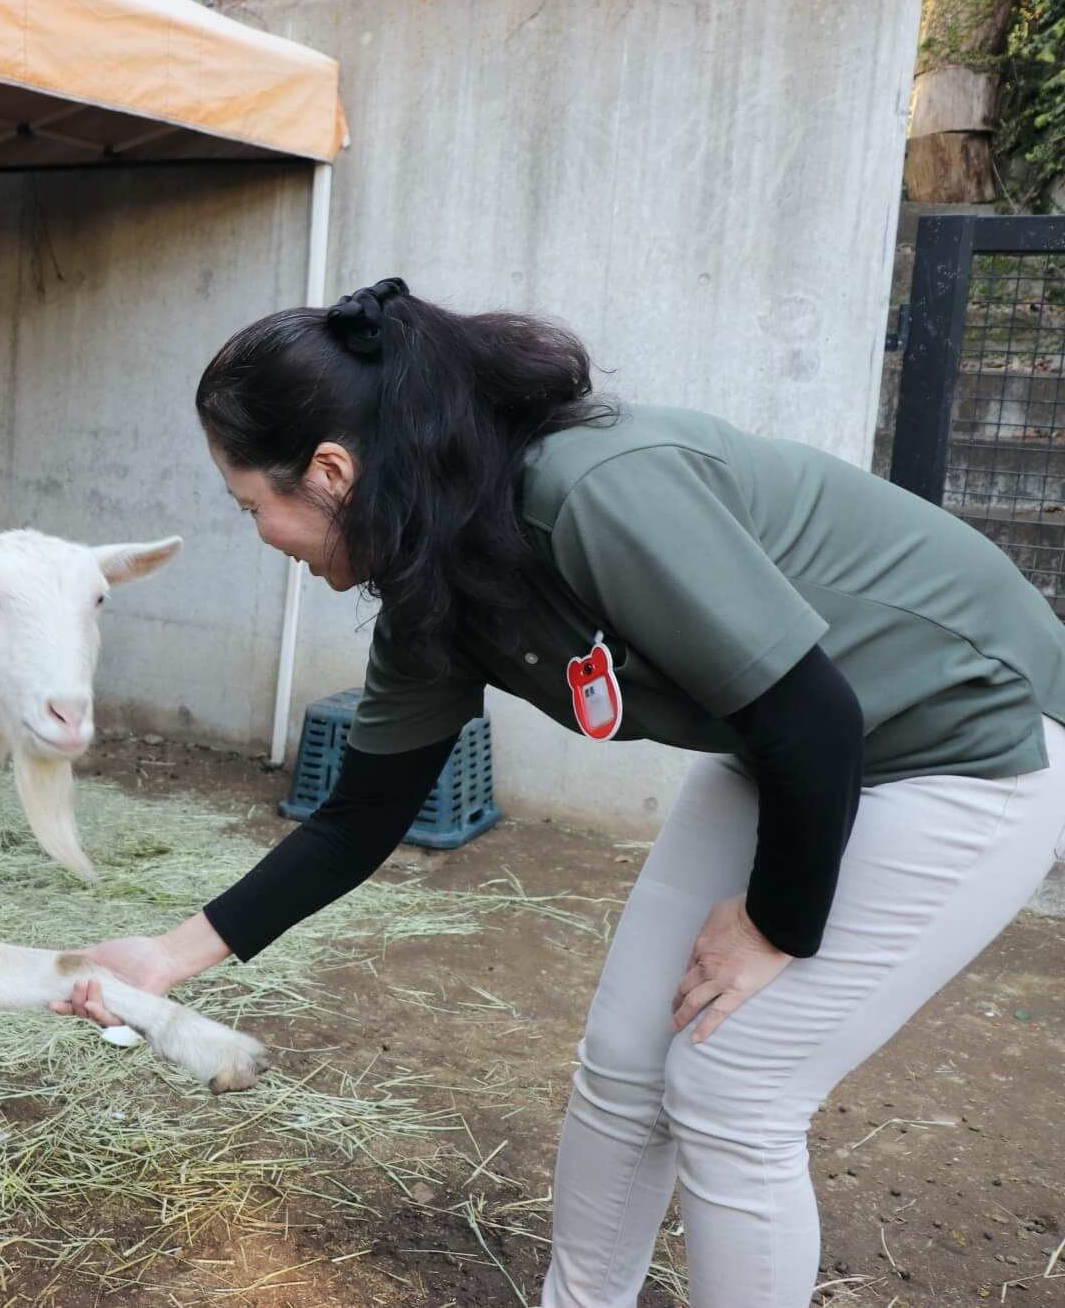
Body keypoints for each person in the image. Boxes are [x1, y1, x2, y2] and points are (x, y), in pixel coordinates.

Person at [51, 277, 1065, 1308]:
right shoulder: (430, 574)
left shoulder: (589, 488)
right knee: (624, 1062)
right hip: (786, 745)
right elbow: (362, 813)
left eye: (249, 505)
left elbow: (813, 715)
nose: (259, 534)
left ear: (328, 473)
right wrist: (165, 956)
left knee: (729, 1087)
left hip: (968, 734)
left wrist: (771, 923)